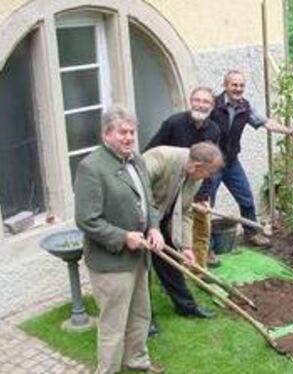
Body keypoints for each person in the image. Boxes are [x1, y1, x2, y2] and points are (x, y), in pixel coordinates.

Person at [74, 105, 165, 374]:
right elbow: (87, 220)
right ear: (106, 135)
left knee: (140, 314)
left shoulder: (135, 159)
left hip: (140, 256)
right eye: (122, 132)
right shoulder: (91, 168)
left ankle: (137, 361)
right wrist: (124, 237)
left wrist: (155, 228)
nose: (129, 137)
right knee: (113, 324)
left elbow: (148, 200)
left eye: (132, 132)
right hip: (111, 263)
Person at [209, 70, 293, 248]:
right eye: (234, 85)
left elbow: (265, 122)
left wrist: (290, 131)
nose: (238, 89)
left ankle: (251, 234)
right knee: (206, 203)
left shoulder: (245, 107)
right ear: (225, 85)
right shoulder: (214, 104)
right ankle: (206, 248)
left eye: (241, 85)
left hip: (231, 161)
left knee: (246, 199)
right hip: (212, 164)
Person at [142, 143, 224, 320]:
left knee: (171, 264)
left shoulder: (196, 177)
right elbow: (135, 194)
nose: (210, 177)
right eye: (209, 172)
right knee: (142, 271)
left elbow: (186, 210)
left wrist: (187, 247)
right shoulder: (160, 159)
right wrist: (150, 228)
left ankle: (186, 306)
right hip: (135, 218)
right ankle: (145, 320)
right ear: (197, 166)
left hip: (161, 217)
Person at [145, 86, 221, 269]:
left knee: (202, 229)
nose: (201, 105)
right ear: (190, 101)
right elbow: (151, 152)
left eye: (206, 102)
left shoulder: (214, 130)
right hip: (170, 187)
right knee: (172, 229)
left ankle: (198, 268)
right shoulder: (174, 123)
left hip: (196, 184)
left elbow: (210, 168)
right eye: (197, 100)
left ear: (212, 106)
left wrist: (203, 197)